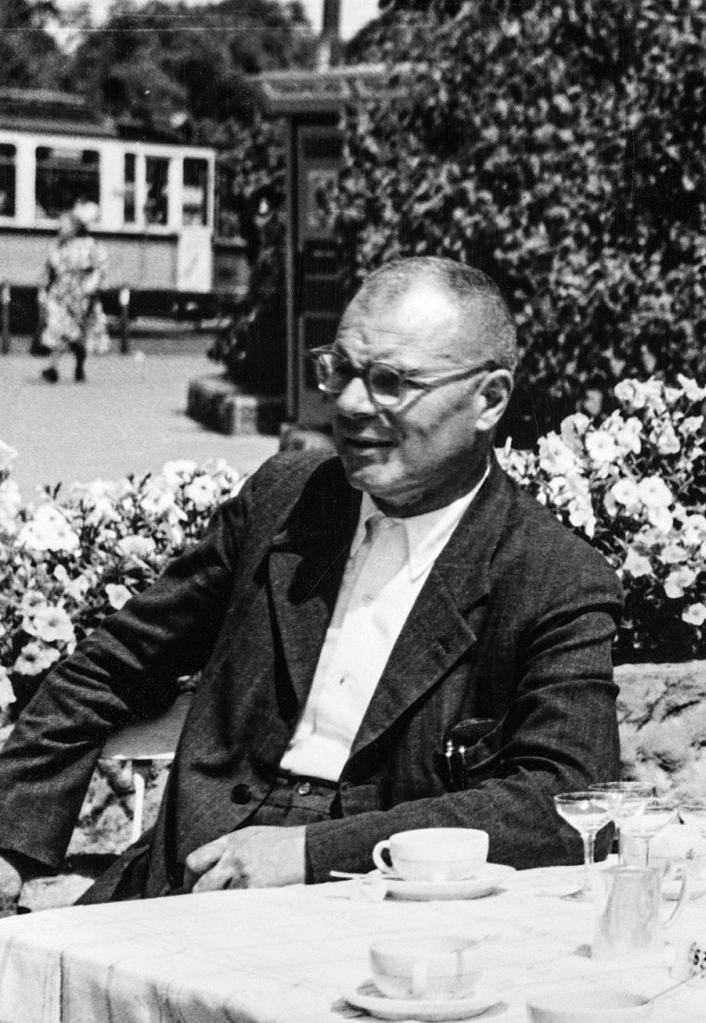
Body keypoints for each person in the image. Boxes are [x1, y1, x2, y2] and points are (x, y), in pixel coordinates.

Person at [0, 257, 621, 905]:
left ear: (488, 399)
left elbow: (567, 798)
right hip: (181, 879)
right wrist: (9, 838)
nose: (348, 403)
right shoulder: (286, 499)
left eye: (390, 382)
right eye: (340, 370)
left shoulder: (552, 576)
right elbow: (115, 665)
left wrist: (312, 853)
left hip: (377, 910)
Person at [39, 202, 110, 384]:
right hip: (61, 295)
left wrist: (90, 288)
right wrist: (44, 290)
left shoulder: (90, 245)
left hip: (82, 296)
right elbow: (49, 271)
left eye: (65, 226)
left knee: (80, 336)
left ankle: (79, 366)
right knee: (60, 330)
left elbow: (100, 269)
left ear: (76, 227)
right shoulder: (57, 247)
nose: (60, 229)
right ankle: (52, 368)